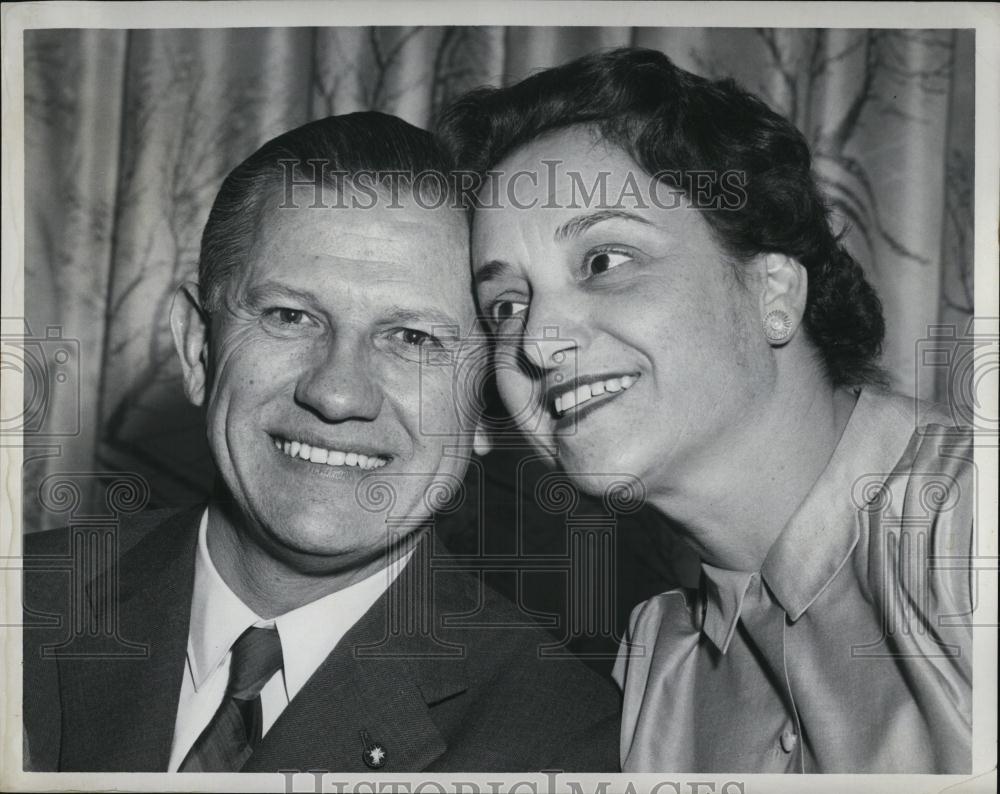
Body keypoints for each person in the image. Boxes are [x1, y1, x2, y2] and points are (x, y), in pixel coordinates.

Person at [22, 112, 621, 773]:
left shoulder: (567, 744)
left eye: (413, 339)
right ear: (199, 348)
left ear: (485, 410)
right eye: (290, 316)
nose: (337, 395)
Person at [437, 48, 974, 773]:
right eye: (505, 304)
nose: (535, 339)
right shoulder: (656, 665)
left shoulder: (968, 528)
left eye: (603, 262)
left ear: (773, 292)